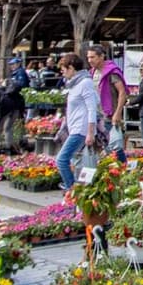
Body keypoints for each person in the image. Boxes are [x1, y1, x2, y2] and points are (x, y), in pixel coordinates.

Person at [57, 52, 98, 191]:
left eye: (64, 70)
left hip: (81, 129)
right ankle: (76, 189)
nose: (63, 74)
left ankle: (72, 190)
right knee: (74, 161)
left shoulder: (85, 83)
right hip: (74, 128)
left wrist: (90, 132)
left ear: (71, 68)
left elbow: (92, 108)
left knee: (61, 160)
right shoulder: (74, 84)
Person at [89, 47, 128, 153]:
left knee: (115, 147)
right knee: (100, 147)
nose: (90, 60)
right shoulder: (92, 72)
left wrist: (118, 112)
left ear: (101, 57)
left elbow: (122, 92)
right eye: (88, 57)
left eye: (93, 57)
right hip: (96, 115)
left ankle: (121, 167)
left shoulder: (112, 72)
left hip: (109, 115)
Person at [0, 73, 27, 154]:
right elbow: (22, 109)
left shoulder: (2, 94)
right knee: (8, 128)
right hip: (15, 109)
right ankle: (8, 147)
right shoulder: (19, 96)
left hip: (4, 108)